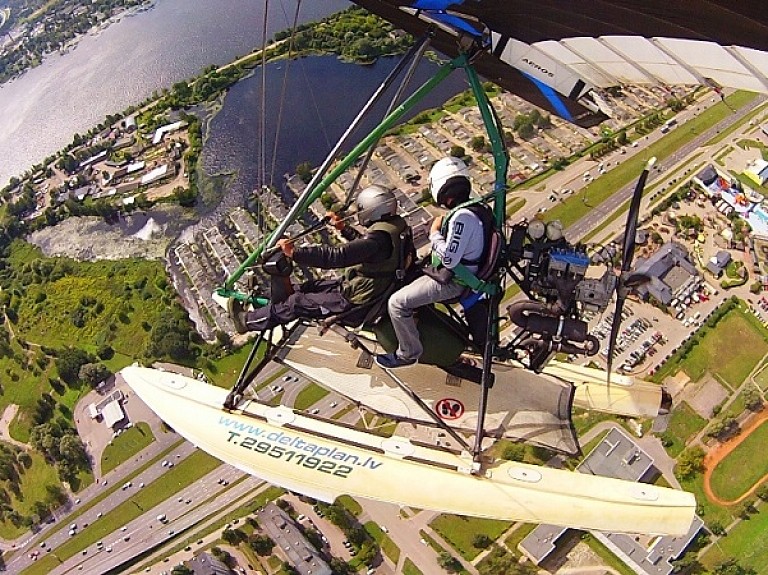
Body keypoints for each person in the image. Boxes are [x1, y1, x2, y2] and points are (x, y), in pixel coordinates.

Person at [228, 185, 412, 333]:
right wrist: (343, 228)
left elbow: (335, 257)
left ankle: (247, 322)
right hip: (367, 290)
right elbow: (365, 248)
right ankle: (265, 299)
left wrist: (294, 253)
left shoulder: (378, 239)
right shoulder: (394, 228)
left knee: (296, 303)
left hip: (356, 305)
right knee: (310, 286)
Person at [375, 157, 487, 369]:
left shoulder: (462, 217)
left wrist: (434, 234)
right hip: (463, 274)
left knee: (396, 303)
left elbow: (449, 259)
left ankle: (408, 353)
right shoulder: (476, 208)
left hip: (456, 280)